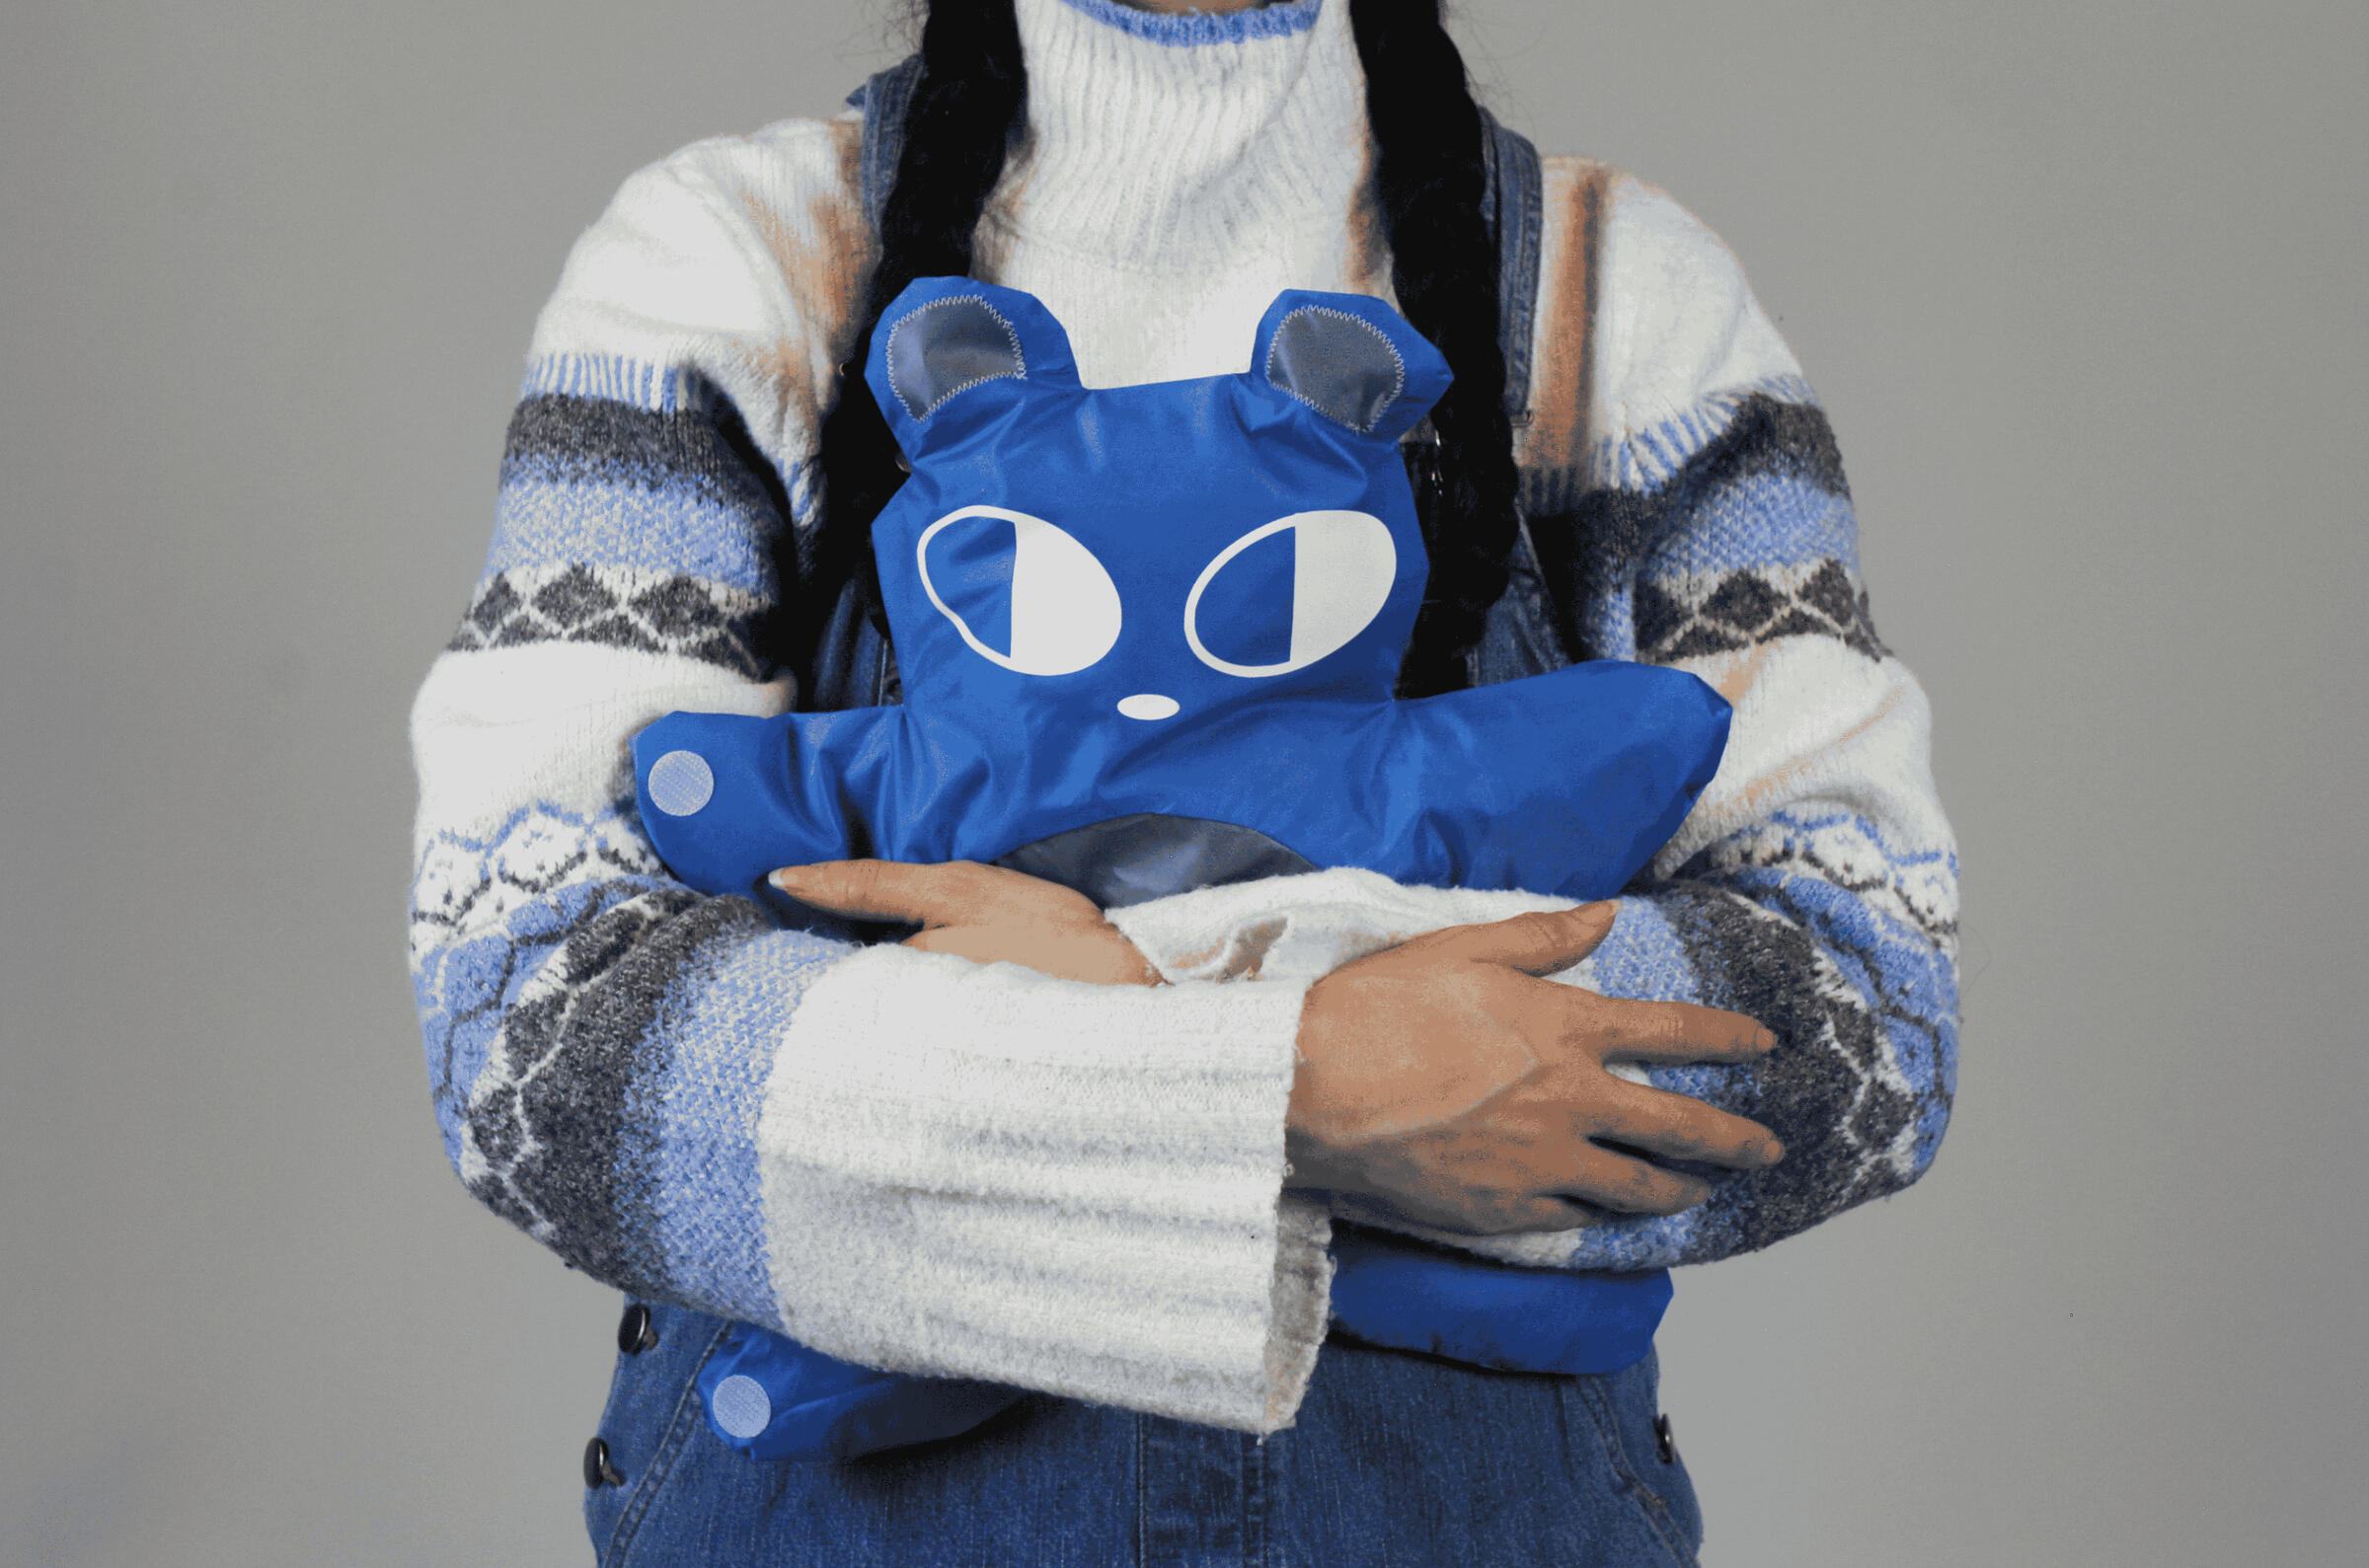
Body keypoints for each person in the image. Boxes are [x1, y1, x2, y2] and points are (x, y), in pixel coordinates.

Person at [407, 0, 1958, 1560]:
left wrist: (1093, 1011)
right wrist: (1306, 1080)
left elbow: (1867, 1019)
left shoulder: (1616, 295)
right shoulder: (736, 259)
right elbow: (539, 1045)